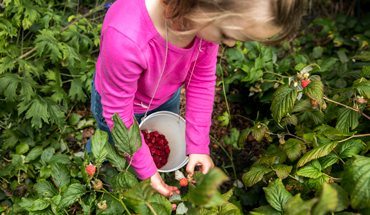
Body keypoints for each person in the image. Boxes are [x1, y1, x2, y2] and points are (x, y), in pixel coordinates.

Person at [85, 0, 304, 197]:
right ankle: (97, 169)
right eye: (226, 35)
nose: (228, 45)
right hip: (120, 107)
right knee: (111, 143)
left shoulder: (202, 20)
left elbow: (201, 79)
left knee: (147, 147)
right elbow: (119, 114)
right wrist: (147, 171)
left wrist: (198, 144)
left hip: (164, 95)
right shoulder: (126, 38)